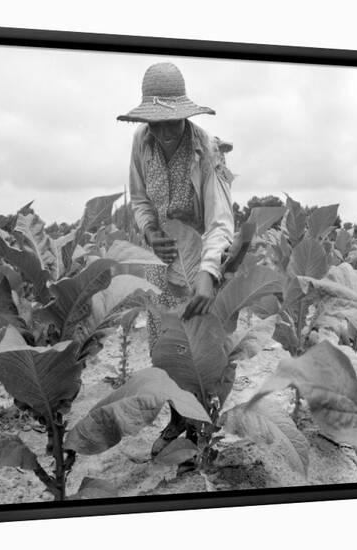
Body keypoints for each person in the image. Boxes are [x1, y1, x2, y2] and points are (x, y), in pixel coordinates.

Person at [117, 62, 235, 351]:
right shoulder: (141, 141)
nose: (165, 131)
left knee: (201, 348)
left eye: (173, 121)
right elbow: (141, 198)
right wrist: (150, 233)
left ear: (185, 115)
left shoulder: (205, 149)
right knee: (165, 344)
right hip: (161, 261)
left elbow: (220, 220)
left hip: (202, 261)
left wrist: (208, 273)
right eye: (157, 122)